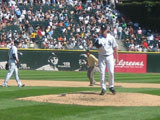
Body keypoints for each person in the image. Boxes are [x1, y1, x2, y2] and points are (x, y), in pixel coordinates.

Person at [95, 25, 119, 95]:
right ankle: (103, 88)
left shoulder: (111, 37)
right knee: (102, 73)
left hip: (110, 56)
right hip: (101, 57)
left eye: (104, 30)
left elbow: (115, 47)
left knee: (111, 72)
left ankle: (111, 86)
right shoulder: (98, 38)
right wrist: (97, 45)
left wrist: (117, 58)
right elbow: (96, 45)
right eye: (102, 30)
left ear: (107, 30)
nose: (103, 31)